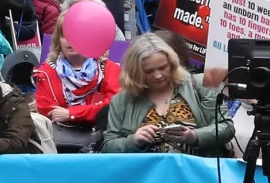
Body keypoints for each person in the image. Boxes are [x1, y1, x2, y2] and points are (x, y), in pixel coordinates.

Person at [98, 35, 232, 157]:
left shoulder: (199, 84)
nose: (158, 75)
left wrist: (195, 136)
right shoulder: (122, 100)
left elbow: (226, 127)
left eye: (163, 68)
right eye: (149, 71)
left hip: (196, 176)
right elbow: (108, 147)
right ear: (135, 72)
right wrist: (133, 141)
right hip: (146, 179)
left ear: (172, 64)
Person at [31, 33, 119, 153]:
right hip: (59, 144)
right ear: (58, 40)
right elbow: (48, 110)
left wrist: (71, 114)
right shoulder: (46, 71)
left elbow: (113, 106)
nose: (69, 41)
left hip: (100, 143)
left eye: (75, 34)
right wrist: (94, 109)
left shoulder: (109, 68)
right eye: (63, 35)